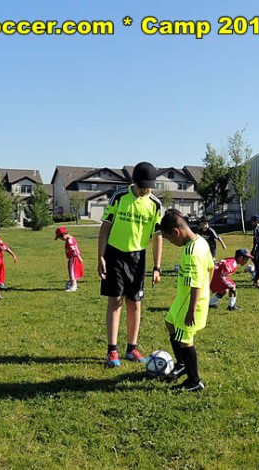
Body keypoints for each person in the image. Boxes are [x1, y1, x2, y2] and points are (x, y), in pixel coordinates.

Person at [98, 161, 163, 368]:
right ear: (134, 181)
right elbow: (105, 227)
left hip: (138, 258)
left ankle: (132, 349)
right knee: (115, 301)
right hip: (115, 254)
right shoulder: (119, 197)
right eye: (142, 186)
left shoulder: (155, 204)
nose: (145, 190)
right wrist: (101, 256)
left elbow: (157, 236)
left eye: (149, 186)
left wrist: (157, 267)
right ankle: (112, 350)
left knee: (135, 303)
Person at [160, 209, 213, 392]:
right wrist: (208, 289)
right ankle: (182, 363)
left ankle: (194, 381)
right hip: (184, 298)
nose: (171, 242)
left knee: (185, 339)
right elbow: (211, 267)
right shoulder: (201, 241)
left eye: (169, 239)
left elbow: (196, 283)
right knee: (170, 323)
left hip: (190, 302)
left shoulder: (191, 252)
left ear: (176, 232)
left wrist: (191, 310)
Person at [55, 226, 84, 292]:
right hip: (73, 257)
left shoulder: (69, 241)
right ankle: (71, 283)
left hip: (73, 258)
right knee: (72, 271)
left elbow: (74, 249)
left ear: (63, 235)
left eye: (60, 238)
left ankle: (73, 286)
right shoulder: (72, 238)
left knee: (72, 271)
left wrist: (79, 257)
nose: (61, 239)